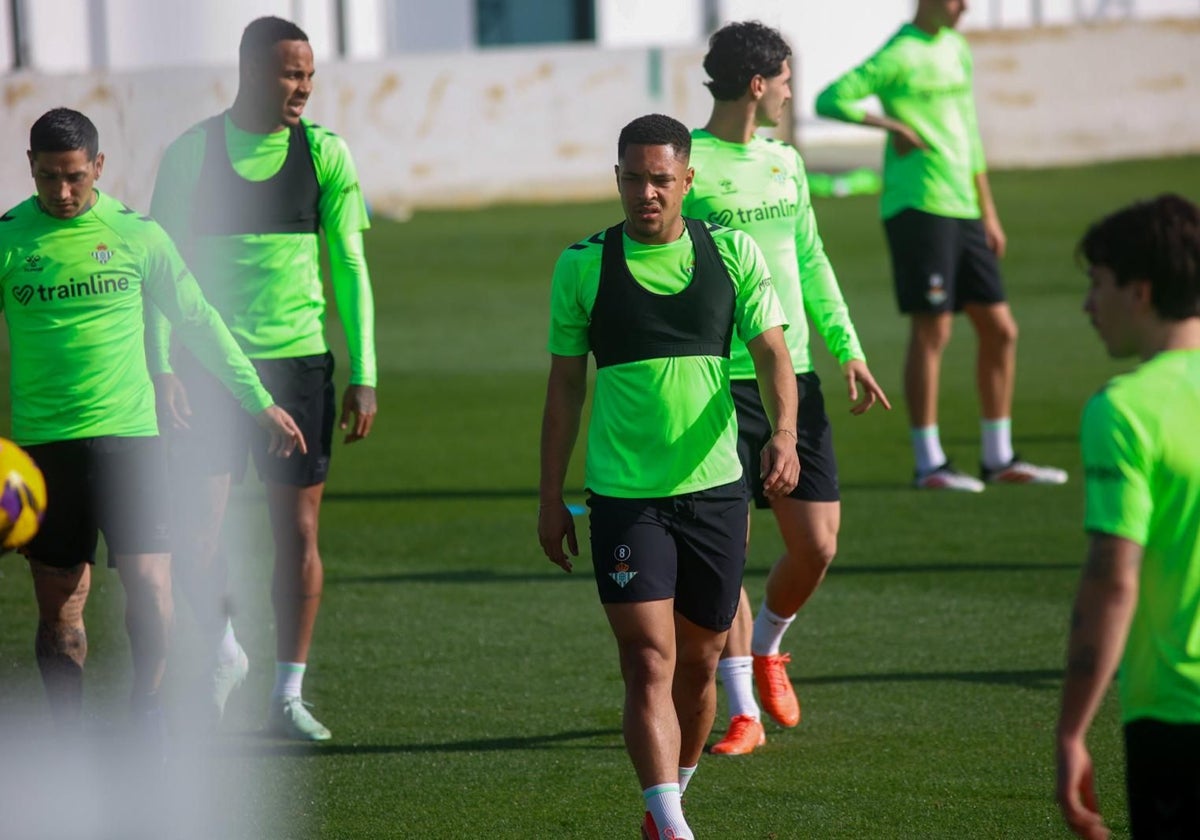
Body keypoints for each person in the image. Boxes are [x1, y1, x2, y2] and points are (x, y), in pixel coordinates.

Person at [0, 107, 305, 733]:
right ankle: (67, 739)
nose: (62, 192)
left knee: (152, 587)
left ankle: (150, 716)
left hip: (132, 441)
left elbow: (199, 321)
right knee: (61, 605)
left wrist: (257, 401)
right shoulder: (8, 241)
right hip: (43, 448)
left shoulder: (139, 236)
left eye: (75, 177)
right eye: (48, 177)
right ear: (29, 168)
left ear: (100, 167)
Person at [538, 114, 799, 840]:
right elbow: (564, 391)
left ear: (688, 180)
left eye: (660, 179)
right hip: (626, 497)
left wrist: (784, 435)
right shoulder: (583, 265)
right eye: (633, 177)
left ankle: (667, 805)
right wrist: (550, 496)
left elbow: (775, 356)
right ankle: (673, 825)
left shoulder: (733, 253)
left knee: (700, 664)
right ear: (616, 178)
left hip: (716, 489)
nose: (646, 192)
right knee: (647, 660)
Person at [147, 15, 377, 740]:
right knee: (197, 532)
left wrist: (365, 372)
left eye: (309, 75)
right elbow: (161, 272)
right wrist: (161, 369)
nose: (302, 87)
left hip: (299, 365)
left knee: (298, 532)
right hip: (209, 369)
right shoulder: (191, 154)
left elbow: (350, 267)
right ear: (250, 72)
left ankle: (287, 694)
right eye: (289, 74)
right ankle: (222, 653)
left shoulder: (325, 154)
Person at [681, 21, 891, 755]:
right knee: (727, 552)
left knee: (818, 544)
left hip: (791, 378)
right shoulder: (687, 166)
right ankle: (743, 711)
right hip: (715, 382)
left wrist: (849, 349)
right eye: (788, 80)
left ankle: (769, 646)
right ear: (759, 83)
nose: (793, 93)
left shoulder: (785, 163)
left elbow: (811, 258)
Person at [815, 0, 1066, 491]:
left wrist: (987, 209)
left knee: (1001, 330)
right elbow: (830, 99)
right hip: (918, 208)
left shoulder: (956, 48)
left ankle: (998, 456)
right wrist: (892, 127)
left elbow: (969, 134)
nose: (966, 6)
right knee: (934, 331)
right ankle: (929, 463)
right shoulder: (898, 53)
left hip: (965, 208)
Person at [1056, 194, 1200, 839]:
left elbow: (1114, 580)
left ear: (1139, 292)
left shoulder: (1125, 410)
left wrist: (1071, 730)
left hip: (1177, 715)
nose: (1089, 306)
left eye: (1098, 284)